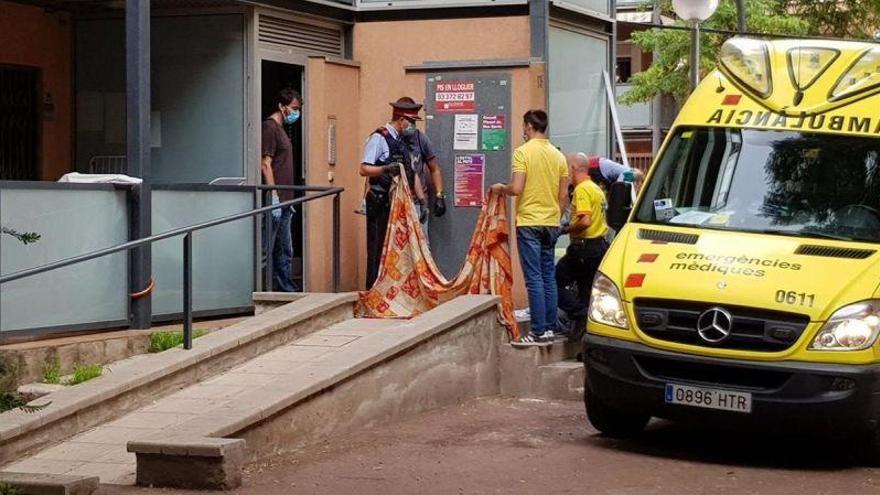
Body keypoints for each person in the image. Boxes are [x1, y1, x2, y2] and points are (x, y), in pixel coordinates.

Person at [491, 110, 569, 344]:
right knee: (548, 276)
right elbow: (563, 193)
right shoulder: (558, 156)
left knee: (534, 278)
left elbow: (516, 188)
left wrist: (499, 188)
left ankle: (536, 331)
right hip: (551, 222)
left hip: (529, 222)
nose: (523, 131)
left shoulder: (522, 153)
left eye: (524, 127)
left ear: (528, 126)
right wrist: (556, 215)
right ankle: (549, 328)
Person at [360, 97, 430, 289]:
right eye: (412, 122)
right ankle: (372, 292)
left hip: (398, 206)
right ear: (401, 120)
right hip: (380, 202)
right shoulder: (379, 138)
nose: (413, 126)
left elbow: (412, 172)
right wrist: (385, 169)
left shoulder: (402, 142)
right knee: (377, 251)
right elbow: (364, 169)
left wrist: (422, 201)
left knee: (397, 253)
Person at [556, 153, 610, 341]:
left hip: (583, 248)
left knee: (553, 281)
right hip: (599, 246)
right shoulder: (597, 189)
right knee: (587, 290)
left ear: (573, 168)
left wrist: (564, 229)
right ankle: (583, 334)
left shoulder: (582, 190)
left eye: (567, 167)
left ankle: (579, 314)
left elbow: (585, 221)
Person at [261, 87, 302, 292]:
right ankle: (265, 287)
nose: (296, 112)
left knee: (285, 247)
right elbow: (265, 164)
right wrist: (274, 196)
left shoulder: (282, 129)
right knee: (268, 246)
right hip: (276, 199)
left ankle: (285, 287)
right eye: (293, 108)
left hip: (286, 200)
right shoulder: (270, 128)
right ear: (281, 106)